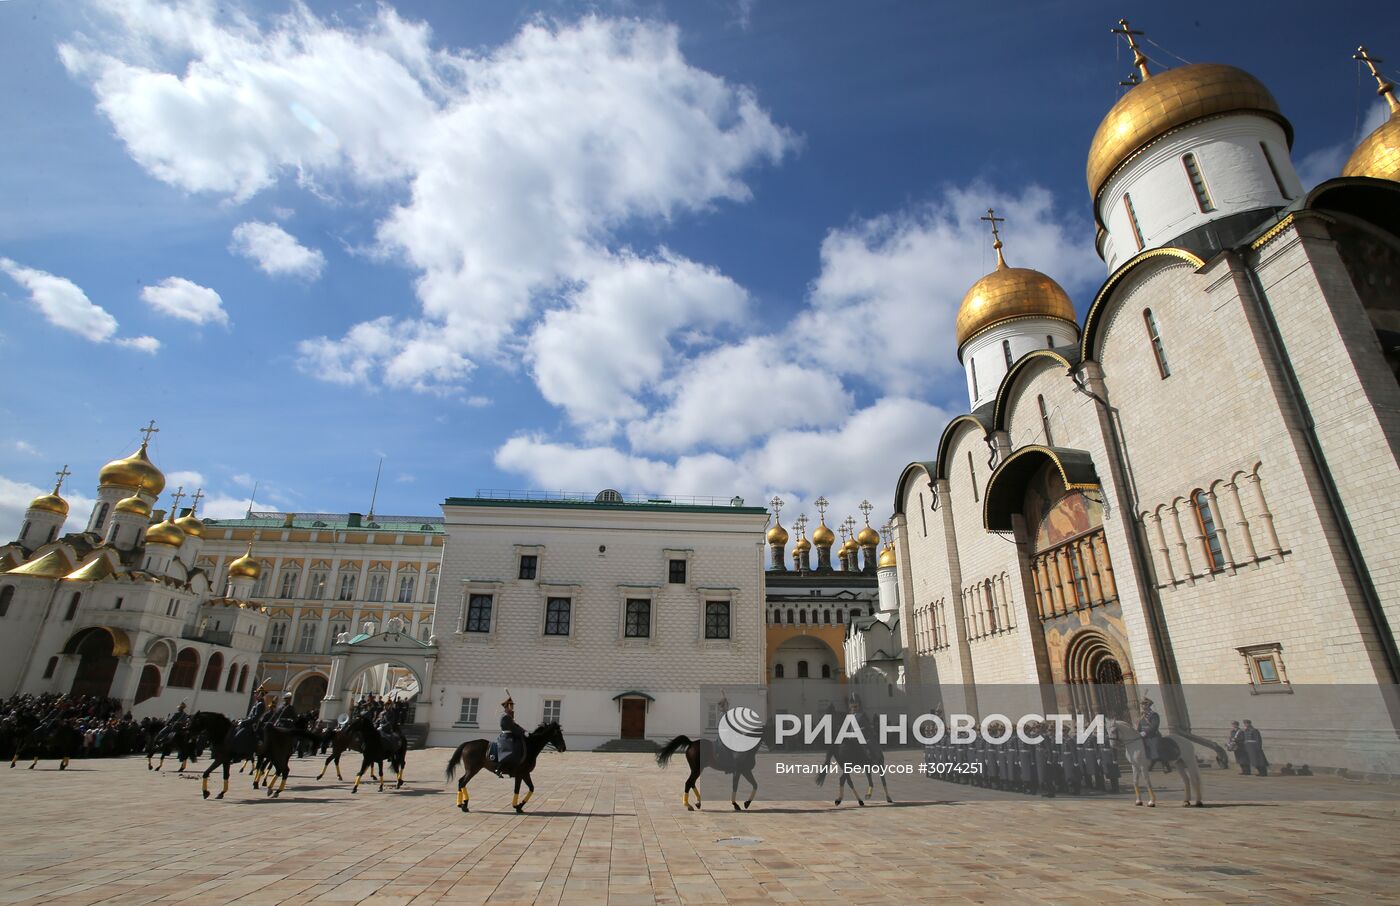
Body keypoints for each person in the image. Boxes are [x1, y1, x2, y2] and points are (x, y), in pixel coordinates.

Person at [491, 694, 526, 776]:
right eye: (511, 705)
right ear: (507, 707)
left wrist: (523, 730)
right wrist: (521, 732)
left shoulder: (509, 716)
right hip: (506, 736)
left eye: (512, 705)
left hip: (511, 735)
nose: (513, 707)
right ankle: (499, 768)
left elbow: (515, 726)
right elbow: (512, 728)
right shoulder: (505, 717)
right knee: (511, 749)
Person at [1137, 698, 1163, 770]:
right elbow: (1139, 726)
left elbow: (1154, 726)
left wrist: (1145, 732)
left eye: (1144, 704)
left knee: (1155, 748)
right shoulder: (1142, 716)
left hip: (1152, 735)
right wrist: (1138, 733)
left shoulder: (1154, 714)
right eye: (1142, 704)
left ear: (1148, 705)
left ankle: (1165, 764)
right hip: (1143, 736)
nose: (1143, 706)